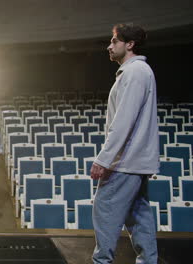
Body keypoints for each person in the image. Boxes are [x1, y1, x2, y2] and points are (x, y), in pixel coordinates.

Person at [91, 23, 159, 264]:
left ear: (130, 44)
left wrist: (104, 159)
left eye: (115, 41)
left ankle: (102, 262)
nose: (109, 46)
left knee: (105, 209)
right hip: (134, 161)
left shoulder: (134, 72)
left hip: (125, 161)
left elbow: (123, 121)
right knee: (138, 213)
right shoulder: (138, 71)